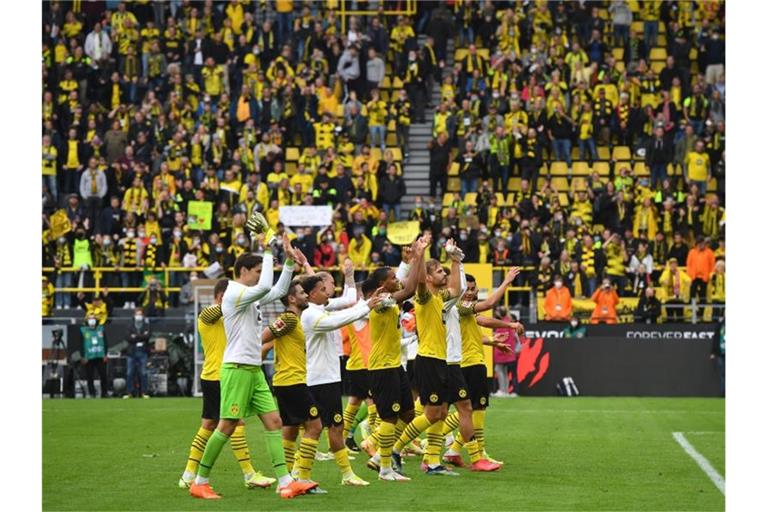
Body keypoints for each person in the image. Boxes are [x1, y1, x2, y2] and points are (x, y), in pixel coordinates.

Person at [188, 215, 312, 501]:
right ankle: (200, 481)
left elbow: (279, 290)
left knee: (274, 422)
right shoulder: (233, 292)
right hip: (237, 369)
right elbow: (266, 286)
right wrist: (268, 247)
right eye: (256, 270)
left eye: (260, 269)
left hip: (253, 369)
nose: (259, 274)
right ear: (243, 271)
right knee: (226, 426)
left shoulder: (248, 295)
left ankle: (285, 482)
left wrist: (290, 262)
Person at [179, 279, 275, 490]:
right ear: (224, 297)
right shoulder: (207, 314)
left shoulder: (234, 319)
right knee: (234, 423)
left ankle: (188, 474)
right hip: (220, 376)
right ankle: (248, 474)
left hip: (219, 375)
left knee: (209, 425)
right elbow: (221, 310)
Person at [301, 272, 385, 487]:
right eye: (322, 289)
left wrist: (367, 303)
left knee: (329, 428)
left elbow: (347, 309)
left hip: (328, 379)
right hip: (318, 380)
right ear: (311, 294)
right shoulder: (310, 315)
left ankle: (335, 474)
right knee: (320, 428)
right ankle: (303, 475)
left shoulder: (321, 309)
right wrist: (366, 306)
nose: (327, 292)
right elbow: (340, 319)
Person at [388, 241, 464, 476]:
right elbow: (419, 283)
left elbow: (457, 290)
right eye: (439, 270)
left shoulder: (440, 297)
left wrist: (455, 260)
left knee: (440, 412)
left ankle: (432, 462)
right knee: (432, 413)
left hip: (439, 360)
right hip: (428, 360)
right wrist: (419, 256)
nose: (444, 273)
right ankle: (396, 449)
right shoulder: (424, 297)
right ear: (429, 277)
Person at [442, 268, 523, 468]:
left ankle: (454, 449)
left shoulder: (465, 309)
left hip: (469, 361)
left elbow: (479, 324)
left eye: (472, 288)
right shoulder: (460, 305)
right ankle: (438, 441)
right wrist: (506, 282)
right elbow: (489, 305)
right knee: (470, 411)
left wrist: (493, 341)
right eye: (466, 288)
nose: (470, 291)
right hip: (469, 363)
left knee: (469, 410)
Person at [362, 236, 426, 481]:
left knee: (408, 414)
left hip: (394, 365)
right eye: (391, 278)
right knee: (389, 416)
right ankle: (385, 468)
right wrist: (419, 256)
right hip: (382, 367)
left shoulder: (388, 297)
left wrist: (408, 262)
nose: (395, 280)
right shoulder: (380, 301)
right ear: (382, 284)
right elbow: (408, 288)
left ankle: (380, 456)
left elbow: (402, 284)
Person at [259, 278, 326, 493]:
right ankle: (302, 477)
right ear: (291, 298)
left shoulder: (292, 320)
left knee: (290, 432)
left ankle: (285, 481)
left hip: (285, 381)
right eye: (302, 293)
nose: (306, 295)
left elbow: (270, 341)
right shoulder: (288, 318)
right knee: (315, 427)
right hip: (292, 381)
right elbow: (266, 336)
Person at [124, 307, 151, 399]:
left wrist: (135, 336)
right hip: (131, 352)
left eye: (140, 314)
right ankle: (129, 393)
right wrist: (141, 336)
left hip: (143, 351)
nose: (138, 316)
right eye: (137, 314)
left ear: (143, 315)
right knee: (129, 373)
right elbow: (128, 337)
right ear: (134, 315)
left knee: (143, 373)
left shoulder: (146, 325)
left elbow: (147, 336)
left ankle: (144, 392)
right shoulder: (130, 325)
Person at [686, 236, 716, 317]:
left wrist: (710, 275)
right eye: (699, 243)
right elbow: (689, 264)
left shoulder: (709, 252)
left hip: (704, 278)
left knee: (703, 296)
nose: (701, 245)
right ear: (697, 244)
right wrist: (691, 275)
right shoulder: (692, 252)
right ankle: (693, 309)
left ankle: (701, 313)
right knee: (692, 293)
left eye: (702, 243)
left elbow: (713, 265)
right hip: (694, 277)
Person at [80, 314, 108, 398]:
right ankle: (92, 393)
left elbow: (106, 342)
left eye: (93, 318)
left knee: (103, 376)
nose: (92, 320)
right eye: (90, 319)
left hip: (100, 356)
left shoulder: (101, 329)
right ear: (86, 320)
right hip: (89, 357)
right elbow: (80, 344)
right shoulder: (83, 330)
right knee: (90, 376)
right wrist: (83, 356)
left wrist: (105, 354)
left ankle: (104, 393)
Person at [659, 258, 692, 322]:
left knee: (680, 317)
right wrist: (664, 282)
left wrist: (685, 288)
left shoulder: (681, 273)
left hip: (678, 298)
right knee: (670, 317)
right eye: (671, 264)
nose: (673, 266)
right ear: (669, 265)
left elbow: (689, 280)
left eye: (675, 264)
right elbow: (661, 280)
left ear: (677, 265)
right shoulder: (666, 273)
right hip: (669, 298)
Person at [710, 319, 725, 396]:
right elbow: (715, 338)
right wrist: (713, 352)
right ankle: (723, 393)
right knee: (722, 374)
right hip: (721, 353)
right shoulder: (720, 325)